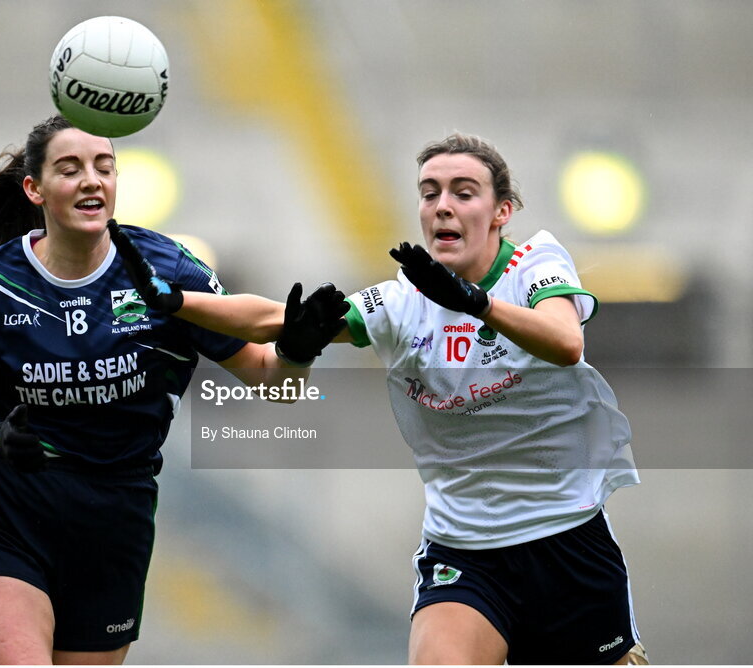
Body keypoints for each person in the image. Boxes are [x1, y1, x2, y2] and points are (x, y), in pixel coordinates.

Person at [109, 132, 648, 665]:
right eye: (430, 192)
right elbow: (272, 318)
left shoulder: (536, 263)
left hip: (565, 541)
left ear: (502, 210)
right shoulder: (400, 302)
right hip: (463, 553)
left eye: (464, 192)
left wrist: (476, 304)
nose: (443, 206)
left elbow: (564, 342)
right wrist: (177, 300)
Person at [0, 114, 348, 665]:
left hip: (111, 530)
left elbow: (276, 384)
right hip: (2, 522)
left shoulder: (166, 272)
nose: (91, 180)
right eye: (69, 169)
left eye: (104, 167)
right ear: (35, 188)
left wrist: (297, 351)